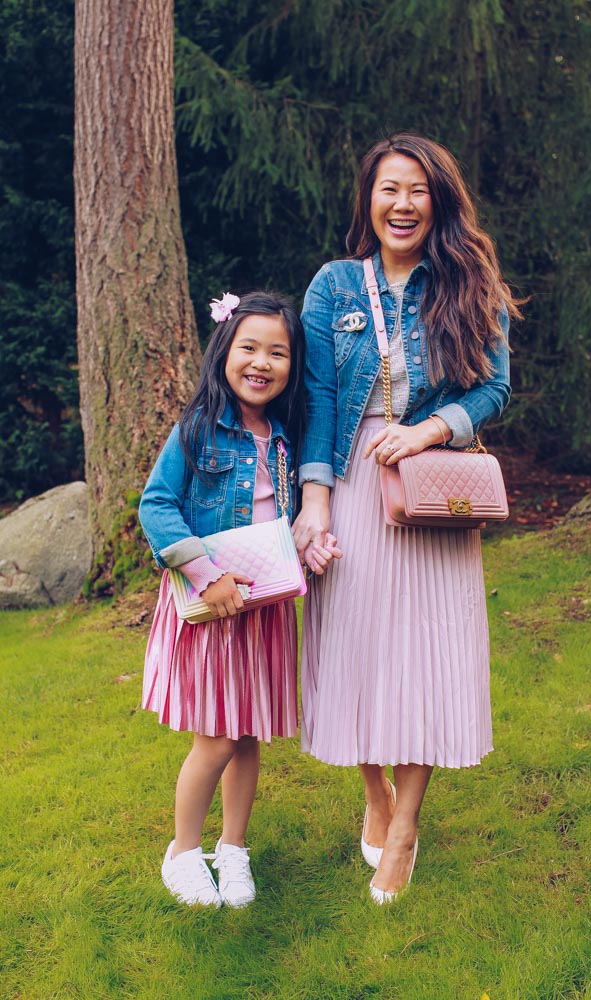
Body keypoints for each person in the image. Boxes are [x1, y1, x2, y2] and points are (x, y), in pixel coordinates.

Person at [292, 133, 522, 904]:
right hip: (353, 484)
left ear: (438, 200)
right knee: (349, 644)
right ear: (368, 199)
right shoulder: (332, 286)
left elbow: (492, 389)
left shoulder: (468, 281)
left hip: (428, 486)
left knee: (426, 653)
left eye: (417, 190)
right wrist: (314, 500)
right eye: (389, 189)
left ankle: (406, 826)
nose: (402, 204)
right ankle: (374, 792)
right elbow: (318, 398)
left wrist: (429, 428)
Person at [139, 290, 339, 909]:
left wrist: (306, 551)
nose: (262, 362)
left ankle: (234, 849)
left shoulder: (282, 437)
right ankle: (183, 851)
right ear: (225, 350)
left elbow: (276, 520)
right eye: (249, 347)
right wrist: (204, 572)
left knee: (248, 735)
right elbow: (157, 505)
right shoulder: (197, 430)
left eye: (278, 352)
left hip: (263, 613)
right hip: (213, 610)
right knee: (217, 739)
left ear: (291, 365)